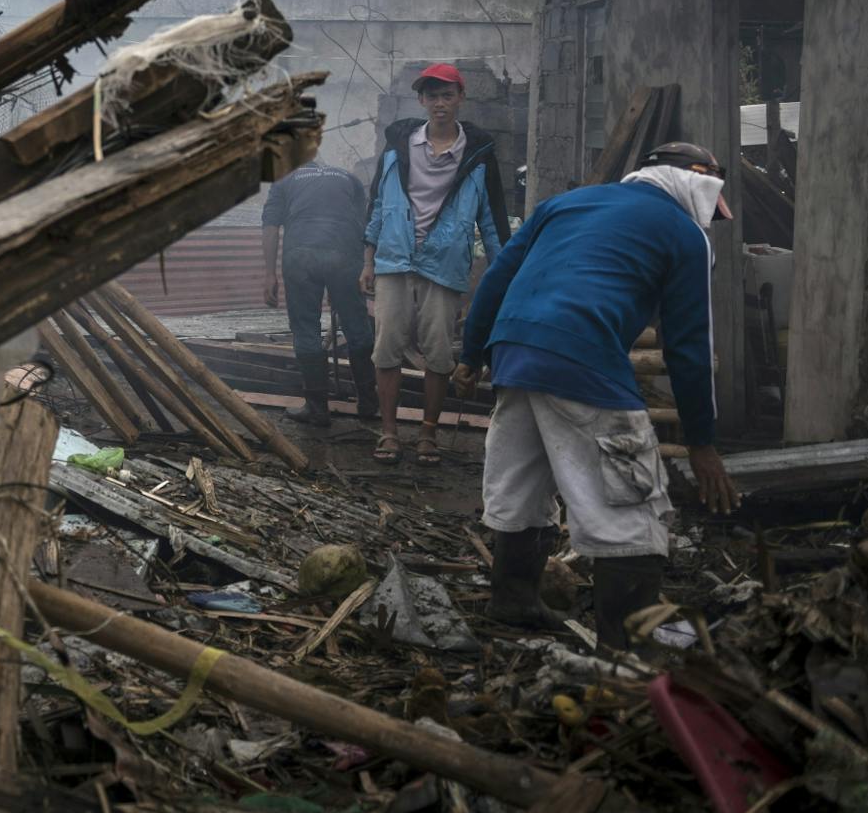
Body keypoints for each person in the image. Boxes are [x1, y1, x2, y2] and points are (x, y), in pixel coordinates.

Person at [456, 141, 740, 651]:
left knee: (521, 482)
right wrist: (701, 442)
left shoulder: (566, 204)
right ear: (700, 186)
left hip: (514, 350)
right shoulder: (685, 235)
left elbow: (498, 277)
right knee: (631, 500)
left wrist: (471, 351)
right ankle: (625, 642)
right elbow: (689, 347)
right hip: (583, 356)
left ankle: (514, 597)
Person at [361, 64, 509, 466]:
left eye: (447, 95)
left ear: (460, 98)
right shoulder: (398, 146)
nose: (440, 103)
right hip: (394, 260)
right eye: (432, 96)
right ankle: (389, 431)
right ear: (422, 101)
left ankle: (429, 432)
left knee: (440, 353)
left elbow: (493, 220)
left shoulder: (479, 155)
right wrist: (368, 259)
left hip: (443, 265)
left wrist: (506, 271)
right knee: (386, 348)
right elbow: (377, 205)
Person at [261, 142, 374, 427]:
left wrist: (269, 274)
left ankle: (317, 407)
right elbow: (363, 223)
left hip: (300, 257)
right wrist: (359, 268)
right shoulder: (347, 177)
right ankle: (369, 401)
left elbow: (271, 226)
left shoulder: (283, 180)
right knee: (357, 326)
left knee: (306, 329)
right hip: (344, 254)